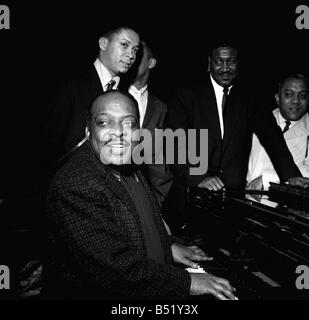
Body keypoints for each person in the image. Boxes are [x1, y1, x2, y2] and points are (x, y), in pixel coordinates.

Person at [44, 90, 237, 300]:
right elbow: (114, 270)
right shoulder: (75, 183)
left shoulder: (131, 168)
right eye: (104, 122)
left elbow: (140, 222)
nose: (118, 132)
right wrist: (189, 282)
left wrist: (169, 246)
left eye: (128, 123)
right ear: (88, 131)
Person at [164, 41, 309, 232]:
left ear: (238, 64)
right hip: (189, 200)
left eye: (231, 62)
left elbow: (272, 138)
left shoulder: (250, 98)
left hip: (232, 205)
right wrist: (199, 177)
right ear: (209, 63)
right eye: (219, 62)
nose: (225, 68)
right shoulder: (186, 94)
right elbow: (172, 141)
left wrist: (291, 176)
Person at [43, 26, 140, 179]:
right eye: (124, 45)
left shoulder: (126, 98)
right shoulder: (70, 84)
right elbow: (48, 145)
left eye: (135, 50)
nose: (131, 55)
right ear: (103, 43)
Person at [128, 41, 173, 207]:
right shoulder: (113, 96)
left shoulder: (162, 107)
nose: (132, 58)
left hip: (152, 202)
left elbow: (161, 163)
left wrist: (158, 204)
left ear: (151, 63)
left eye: (139, 55)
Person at [247, 74, 309, 190]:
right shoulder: (257, 119)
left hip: (280, 203)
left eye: (303, 96)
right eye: (289, 94)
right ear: (277, 98)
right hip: (242, 197)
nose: (296, 101)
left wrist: (267, 179)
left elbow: (306, 173)